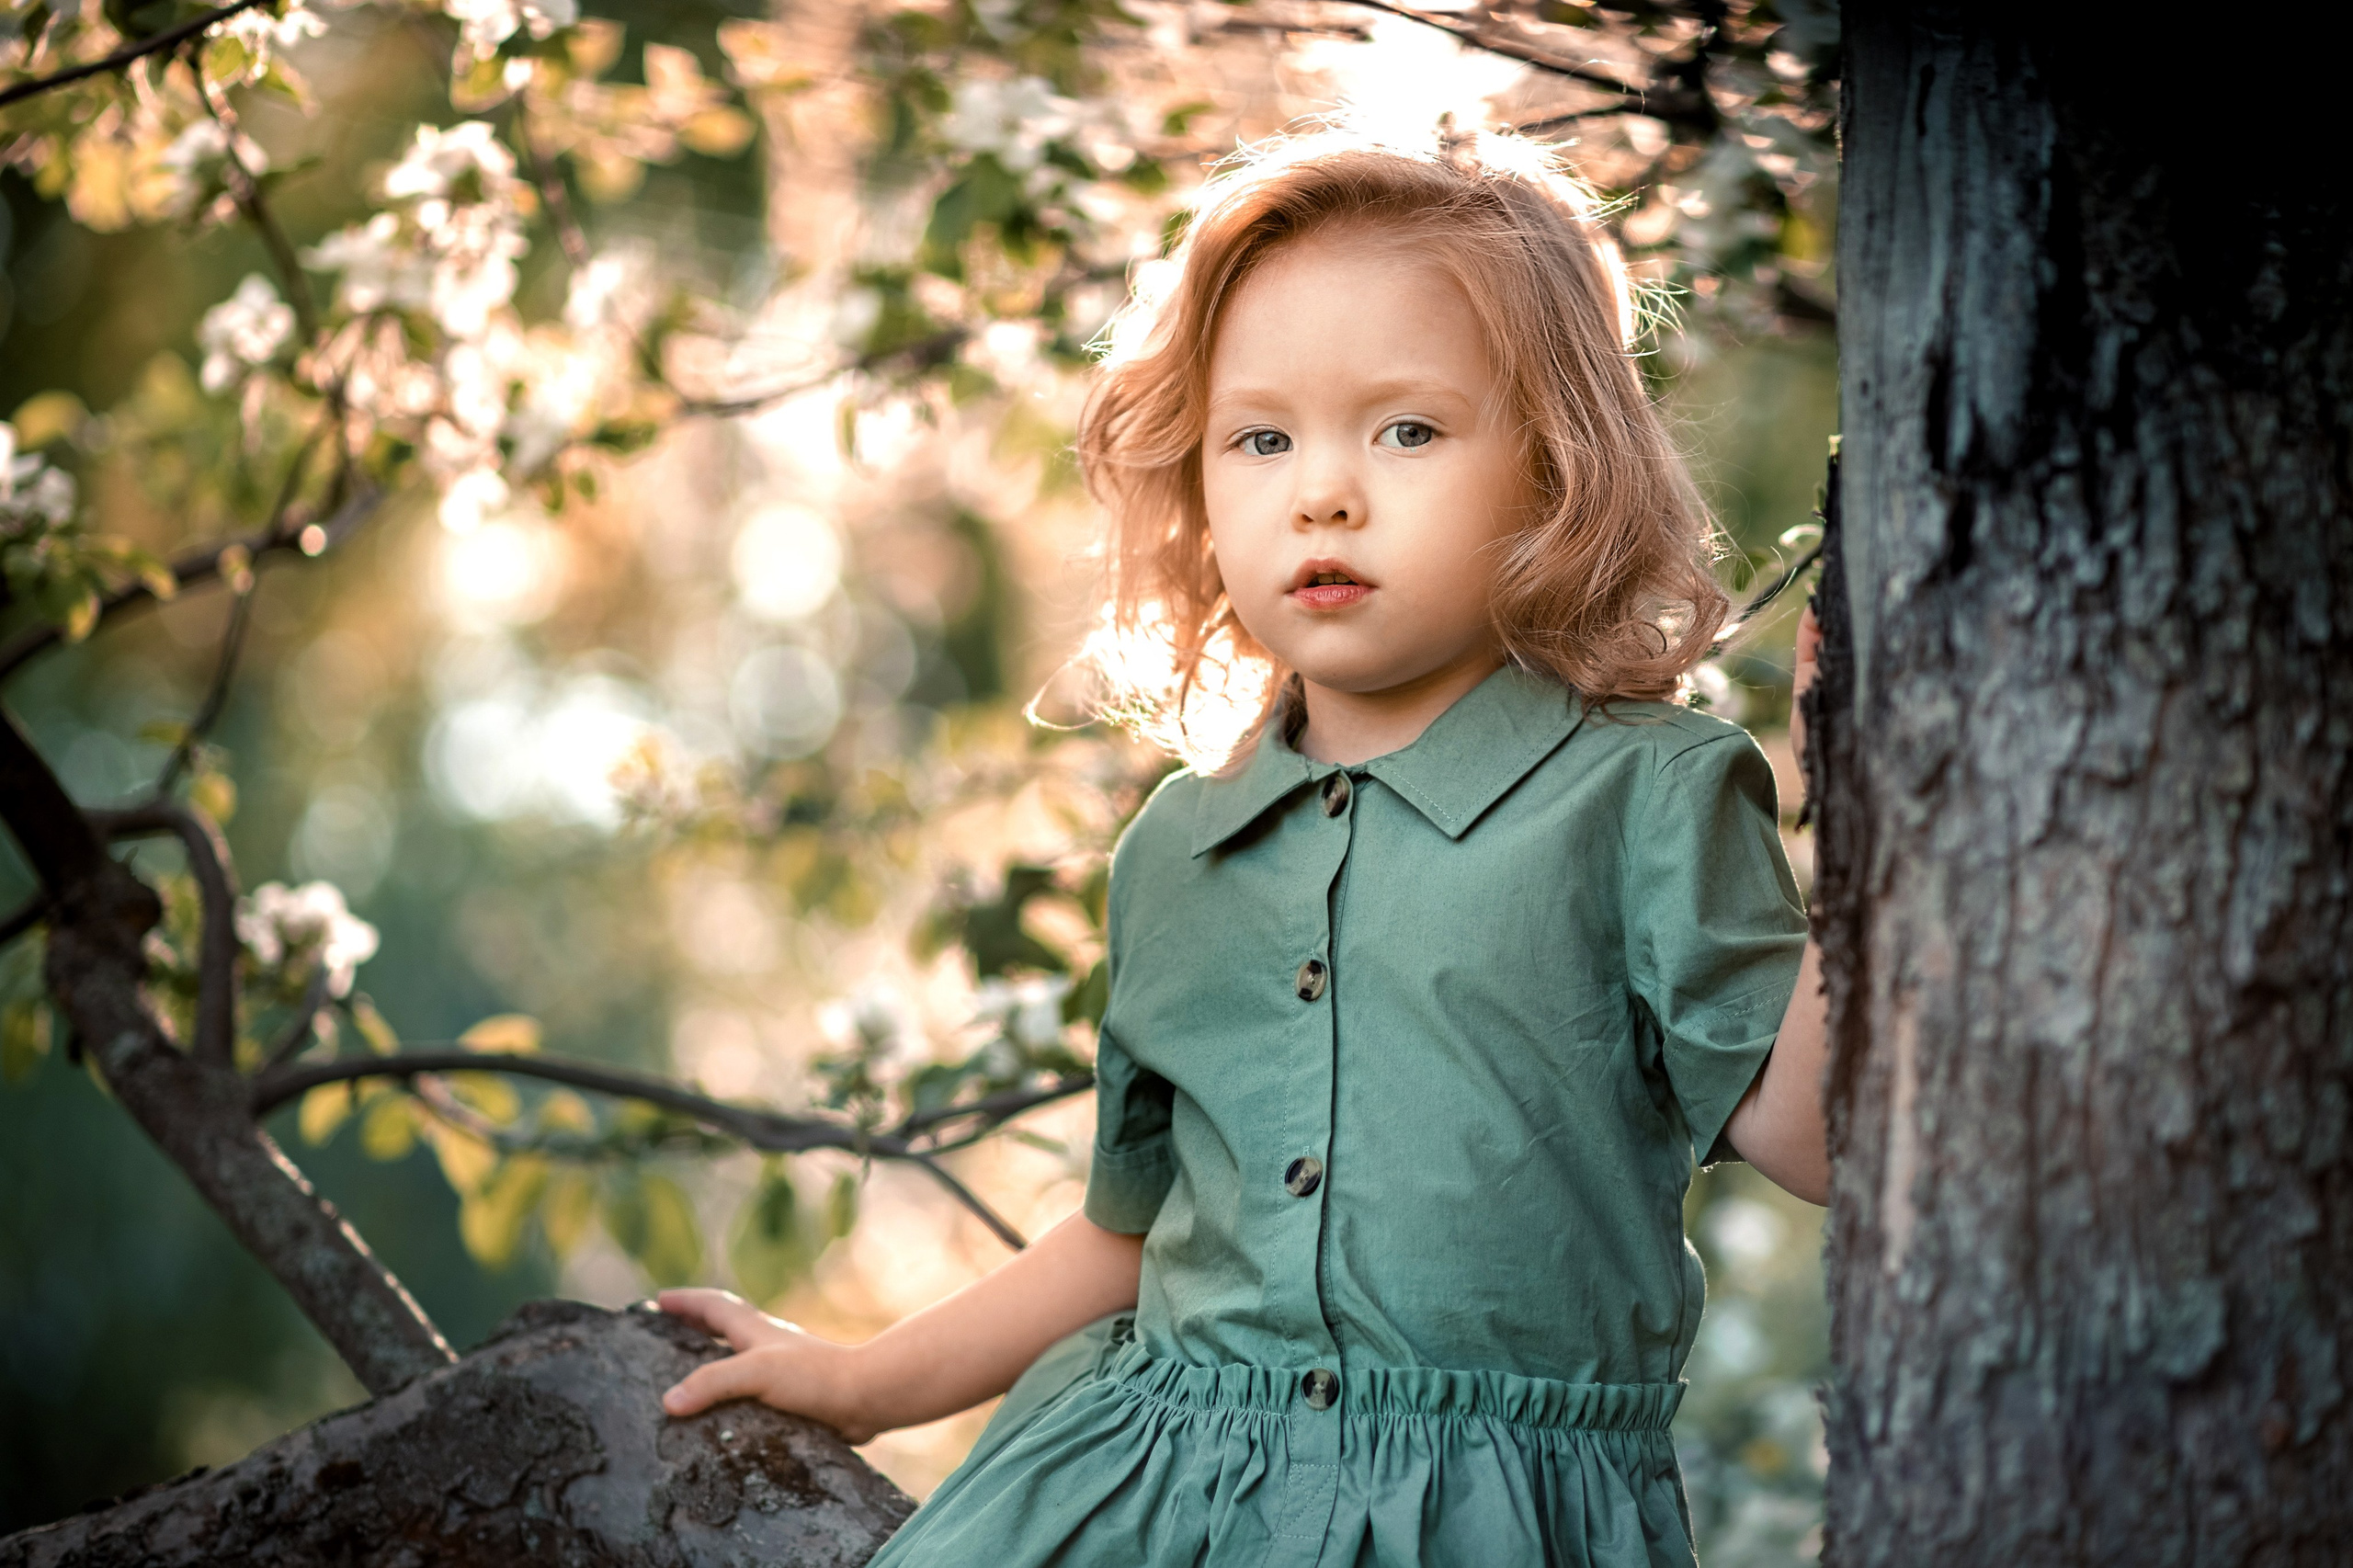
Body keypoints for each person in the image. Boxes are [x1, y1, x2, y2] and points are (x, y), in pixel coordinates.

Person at [658, 124, 1830, 1567]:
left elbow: (1824, 1137)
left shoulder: (1646, 795)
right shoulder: (1179, 849)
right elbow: (1127, 1239)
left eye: (1407, 428)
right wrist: (859, 1379)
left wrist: (1872, 799)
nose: (1321, 492)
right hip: (1154, 1493)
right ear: (1199, 483)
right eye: (1261, 437)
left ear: (1555, 465)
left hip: (1487, 1516)